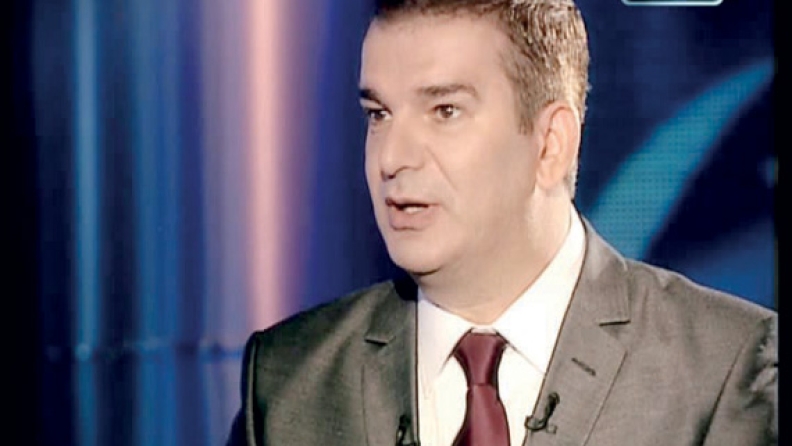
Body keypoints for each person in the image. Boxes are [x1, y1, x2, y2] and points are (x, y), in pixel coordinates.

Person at [226, 0, 777, 445]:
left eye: (444, 111)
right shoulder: (287, 382)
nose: (391, 157)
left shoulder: (722, 368)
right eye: (379, 114)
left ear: (550, 145)